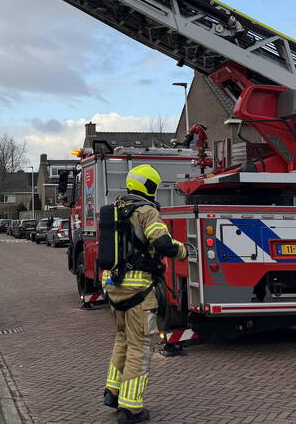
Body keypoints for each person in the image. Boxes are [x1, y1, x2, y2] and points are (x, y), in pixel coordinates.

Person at [101, 165, 187, 424]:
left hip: (113, 287)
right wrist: (183, 250)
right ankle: (131, 408)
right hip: (138, 290)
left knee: (122, 339)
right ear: (150, 186)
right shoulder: (147, 211)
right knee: (140, 346)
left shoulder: (116, 208)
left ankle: (113, 392)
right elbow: (162, 244)